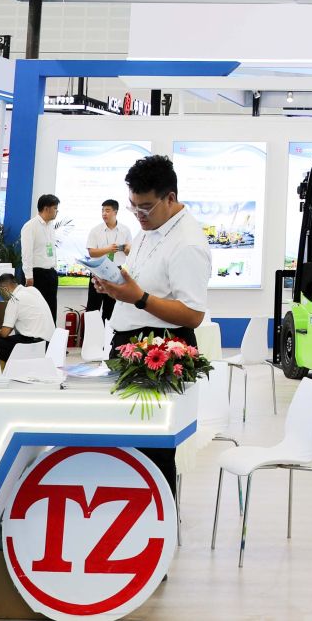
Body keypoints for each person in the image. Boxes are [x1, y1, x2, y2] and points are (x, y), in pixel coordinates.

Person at [92, 154, 211, 495]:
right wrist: (114, 285)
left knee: (153, 449)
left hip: (160, 350)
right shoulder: (150, 229)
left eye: (145, 207)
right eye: (133, 206)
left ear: (170, 198)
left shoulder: (187, 243)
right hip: (129, 341)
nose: (138, 215)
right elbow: (139, 279)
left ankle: (161, 517)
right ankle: (133, 512)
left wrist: (139, 298)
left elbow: (192, 314)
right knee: (126, 444)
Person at [85, 198, 131, 328]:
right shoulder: (95, 230)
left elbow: (129, 252)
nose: (104, 213)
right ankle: (91, 336)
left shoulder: (125, 230)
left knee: (111, 307)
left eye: (107, 210)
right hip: (98, 270)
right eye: (102, 211)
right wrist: (108, 249)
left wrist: (126, 249)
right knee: (93, 307)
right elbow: (91, 252)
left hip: (116, 271)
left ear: (115, 212)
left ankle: (109, 337)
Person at [0, 271, 54, 364]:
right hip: (49, 345)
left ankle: (15, 368)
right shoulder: (33, 290)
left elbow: (4, 333)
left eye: (0, 292)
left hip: (33, 346)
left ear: (5, 289)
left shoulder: (14, 299)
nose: (1, 296)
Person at [20, 194, 62, 320]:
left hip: (50, 274)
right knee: (37, 311)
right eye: (55, 208)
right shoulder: (30, 226)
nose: (57, 211)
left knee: (51, 310)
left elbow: (51, 250)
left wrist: (54, 268)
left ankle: (51, 333)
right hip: (36, 275)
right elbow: (26, 253)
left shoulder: (50, 226)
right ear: (46, 208)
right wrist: (29, 276)